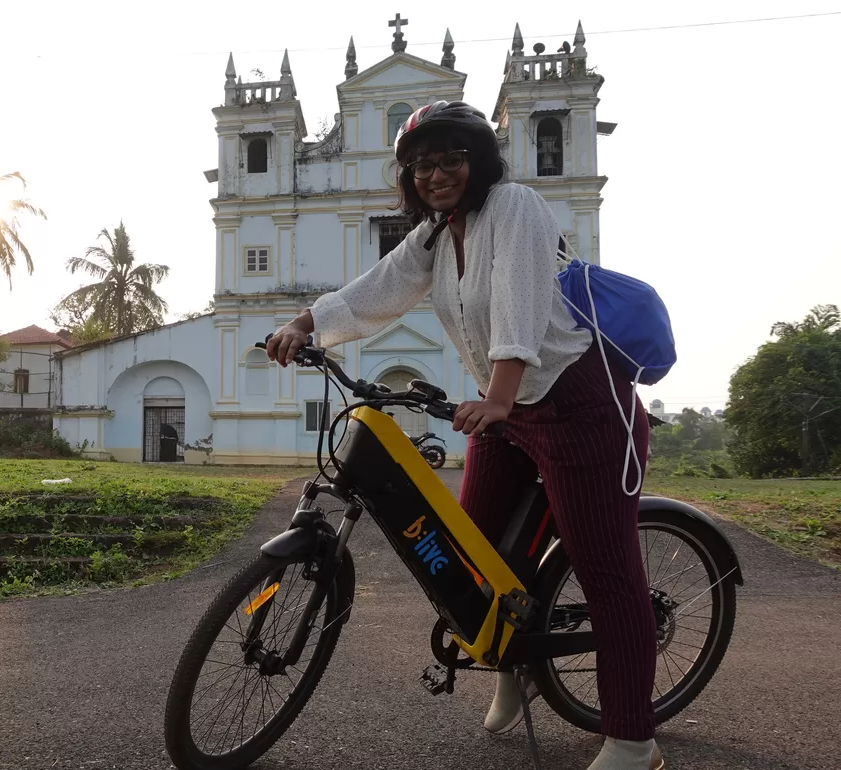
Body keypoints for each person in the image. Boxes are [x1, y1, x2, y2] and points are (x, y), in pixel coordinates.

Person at [265, 101, 659, 770]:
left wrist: (500, 396)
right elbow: (376, 289)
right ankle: (519, 668)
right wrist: (304, 323)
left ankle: (631, 739)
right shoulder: (436, 236)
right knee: (469, 557)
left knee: (605, 572)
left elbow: (522, 302)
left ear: (479, 161)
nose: (435, 173)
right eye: (421, 164)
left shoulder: (517, 207)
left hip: (579, 409)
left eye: (451, 158)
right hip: (504, 408)